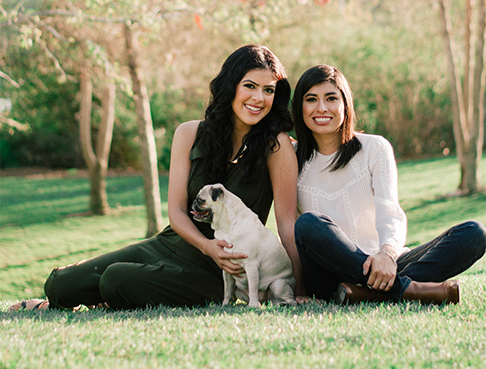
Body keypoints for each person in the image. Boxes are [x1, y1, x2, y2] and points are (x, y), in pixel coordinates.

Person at [9, 44, 303, 311]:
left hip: (220, 271)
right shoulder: (189, 133)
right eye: (249, 86)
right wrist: (205, 245)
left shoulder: (276, 147)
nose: (258, 98)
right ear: (230, 87)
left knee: (116, 280)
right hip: (171, 244)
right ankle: (62, 302)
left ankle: (117, 295)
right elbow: (176, 211)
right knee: (61, 285)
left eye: (268, 90)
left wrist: (299, 289)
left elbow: (286, 224)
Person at [291, 64, 486, 306]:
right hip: (326, 272)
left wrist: (386, 254)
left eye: (331, 98)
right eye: (311, 99)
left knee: (473, 234)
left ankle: (366, 293)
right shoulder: (290, 158)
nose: (322, 108)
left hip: (383, 264)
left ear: (345, 104)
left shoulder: (374, 148)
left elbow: (389, 212)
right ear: (299, 106)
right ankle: (410, 289)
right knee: (309, 224)